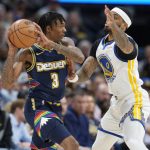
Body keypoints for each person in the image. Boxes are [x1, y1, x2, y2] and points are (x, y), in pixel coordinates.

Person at [2, 12, 84, 150]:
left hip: (56, 107)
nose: (65, 29)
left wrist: (51, 44)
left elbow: (80, 58)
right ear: (48, 29)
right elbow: (6, 83)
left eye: (65, 26)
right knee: (72, 145)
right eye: (60, 26)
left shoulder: (66, 44)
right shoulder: (28, 53)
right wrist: (11, 52)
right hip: (37, 108)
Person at [77, 5, 150, 150]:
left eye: (115, 17)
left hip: (134, 100)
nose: (109, 19)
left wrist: (114, 26)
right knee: (98, 148)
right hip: (116, 104)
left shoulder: (128, 43)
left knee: (133, 141)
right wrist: (72, 77)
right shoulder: (99, 44)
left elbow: (126, 47)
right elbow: (85, 73)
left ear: (124, 25)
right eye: (109, 15)